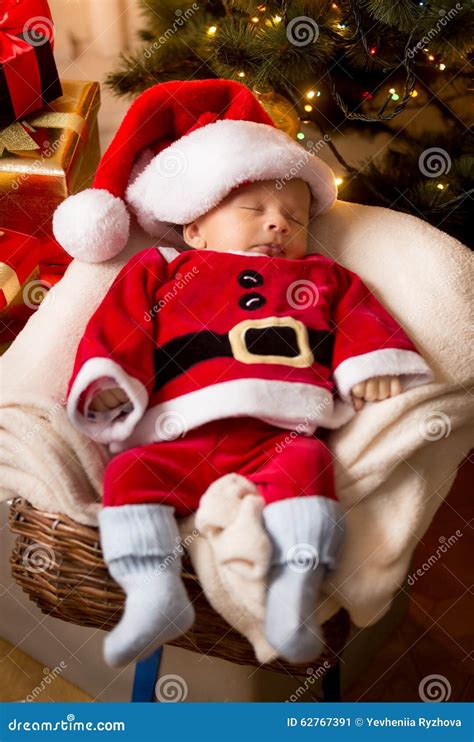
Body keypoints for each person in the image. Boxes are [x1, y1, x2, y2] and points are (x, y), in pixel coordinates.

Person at [57, 80, 434, 668]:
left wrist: (370, 363)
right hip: (184, 430)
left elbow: (362, 316)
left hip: (279, 433)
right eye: (254, 210)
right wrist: (109, 379)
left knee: (309, 465)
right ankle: (153, 592)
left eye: (294, 216)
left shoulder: (323, 277)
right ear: (194, 229)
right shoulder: (161, 269)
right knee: (129, 474)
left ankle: (293, 592)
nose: (278, 224)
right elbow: (119, 327)